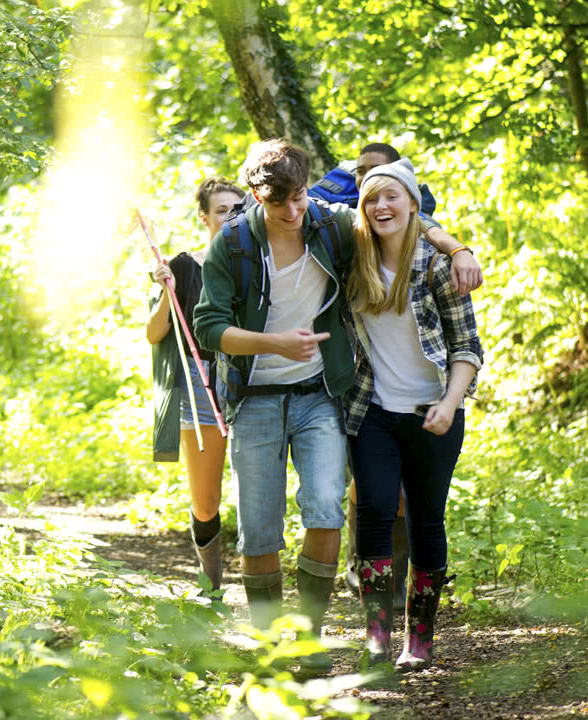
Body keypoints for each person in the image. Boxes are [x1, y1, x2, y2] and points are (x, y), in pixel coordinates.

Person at [193, 139, 480, 674]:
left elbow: (405, 217)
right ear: (257, 197)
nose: (294, 212)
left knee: (327, 508)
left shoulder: (328, 223)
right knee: (260, 529)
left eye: (301, 198)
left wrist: (458, 248)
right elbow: (208, 328)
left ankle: (307, 638)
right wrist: (273, 343)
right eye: (281, 204)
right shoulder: (231, 246)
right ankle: (273, 644)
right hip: (257, 399)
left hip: (321, 395)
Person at [344, 158, 483, 671]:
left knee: (427, 521)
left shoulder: (437, 267)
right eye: (371, 200)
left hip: (434, 413)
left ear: (413, 205)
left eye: (392, 197)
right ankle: (377, 637)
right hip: (373, 411)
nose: (382, 206)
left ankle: (419, 640)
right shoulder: (351, 260)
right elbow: (298, 206)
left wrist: (450, 403)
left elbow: (467, 346)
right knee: (374, 512)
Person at [147, 178, 243, 592]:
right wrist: (167, 292)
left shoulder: (262, 261)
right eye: (221, 210)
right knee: (206, 500)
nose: (230, 217)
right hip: (200, 386)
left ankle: (261, 587)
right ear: (204, 217)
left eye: (237, 210)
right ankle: (212, 586)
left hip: (252, 384)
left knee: (257, 493)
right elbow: (154, 334)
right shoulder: (184, 267)